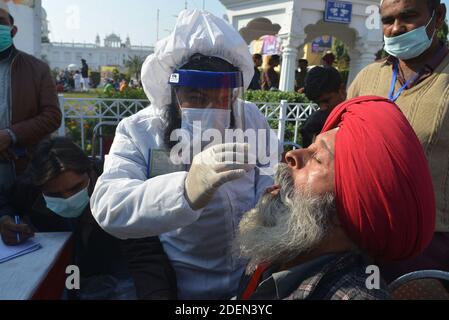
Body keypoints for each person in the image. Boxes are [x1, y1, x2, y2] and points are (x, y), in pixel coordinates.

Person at [90, 10, 279, 300]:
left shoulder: (250, 119)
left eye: (223, 97)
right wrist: (186, 190)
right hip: (179, 280)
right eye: (197, 97)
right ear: (172, 91)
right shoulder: (141, 131)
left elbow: (270, 172)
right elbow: (109, 205)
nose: (213, 109)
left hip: (248, 275)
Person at [233, 96, 436, 300]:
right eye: (310, 146)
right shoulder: (276, 258)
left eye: (317, 159)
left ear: (346, 211)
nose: (291, 154)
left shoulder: (350, 296)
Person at [0, 137, 177, 300]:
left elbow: (144, 255)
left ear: (91, 172)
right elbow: (6, 201)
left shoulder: (118, 191)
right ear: (40, 187)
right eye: (55, 195)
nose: (68, 198)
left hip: (114, 268)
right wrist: (6, 219)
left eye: (76, 188)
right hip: (64, 271)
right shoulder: (30, 188)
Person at [347, 0, 449, 282]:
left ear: (438, 16)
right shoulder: (367, 77)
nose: (395, 29)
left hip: (430, 243)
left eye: (408, 16)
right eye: (387, 20)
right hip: (360, 234)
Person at [0, 4, 61, 195]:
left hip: (24, 163)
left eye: (0, 22)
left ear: (13, 30)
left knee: (23, 219)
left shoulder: (37, 69)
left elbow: (52, 116)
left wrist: (11, 135)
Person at [301, 67, 347, 148]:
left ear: (342, 90)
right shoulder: (312, 124)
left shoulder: (356, 120)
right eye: (318, 103)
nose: (322, 108)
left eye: (326, 101)